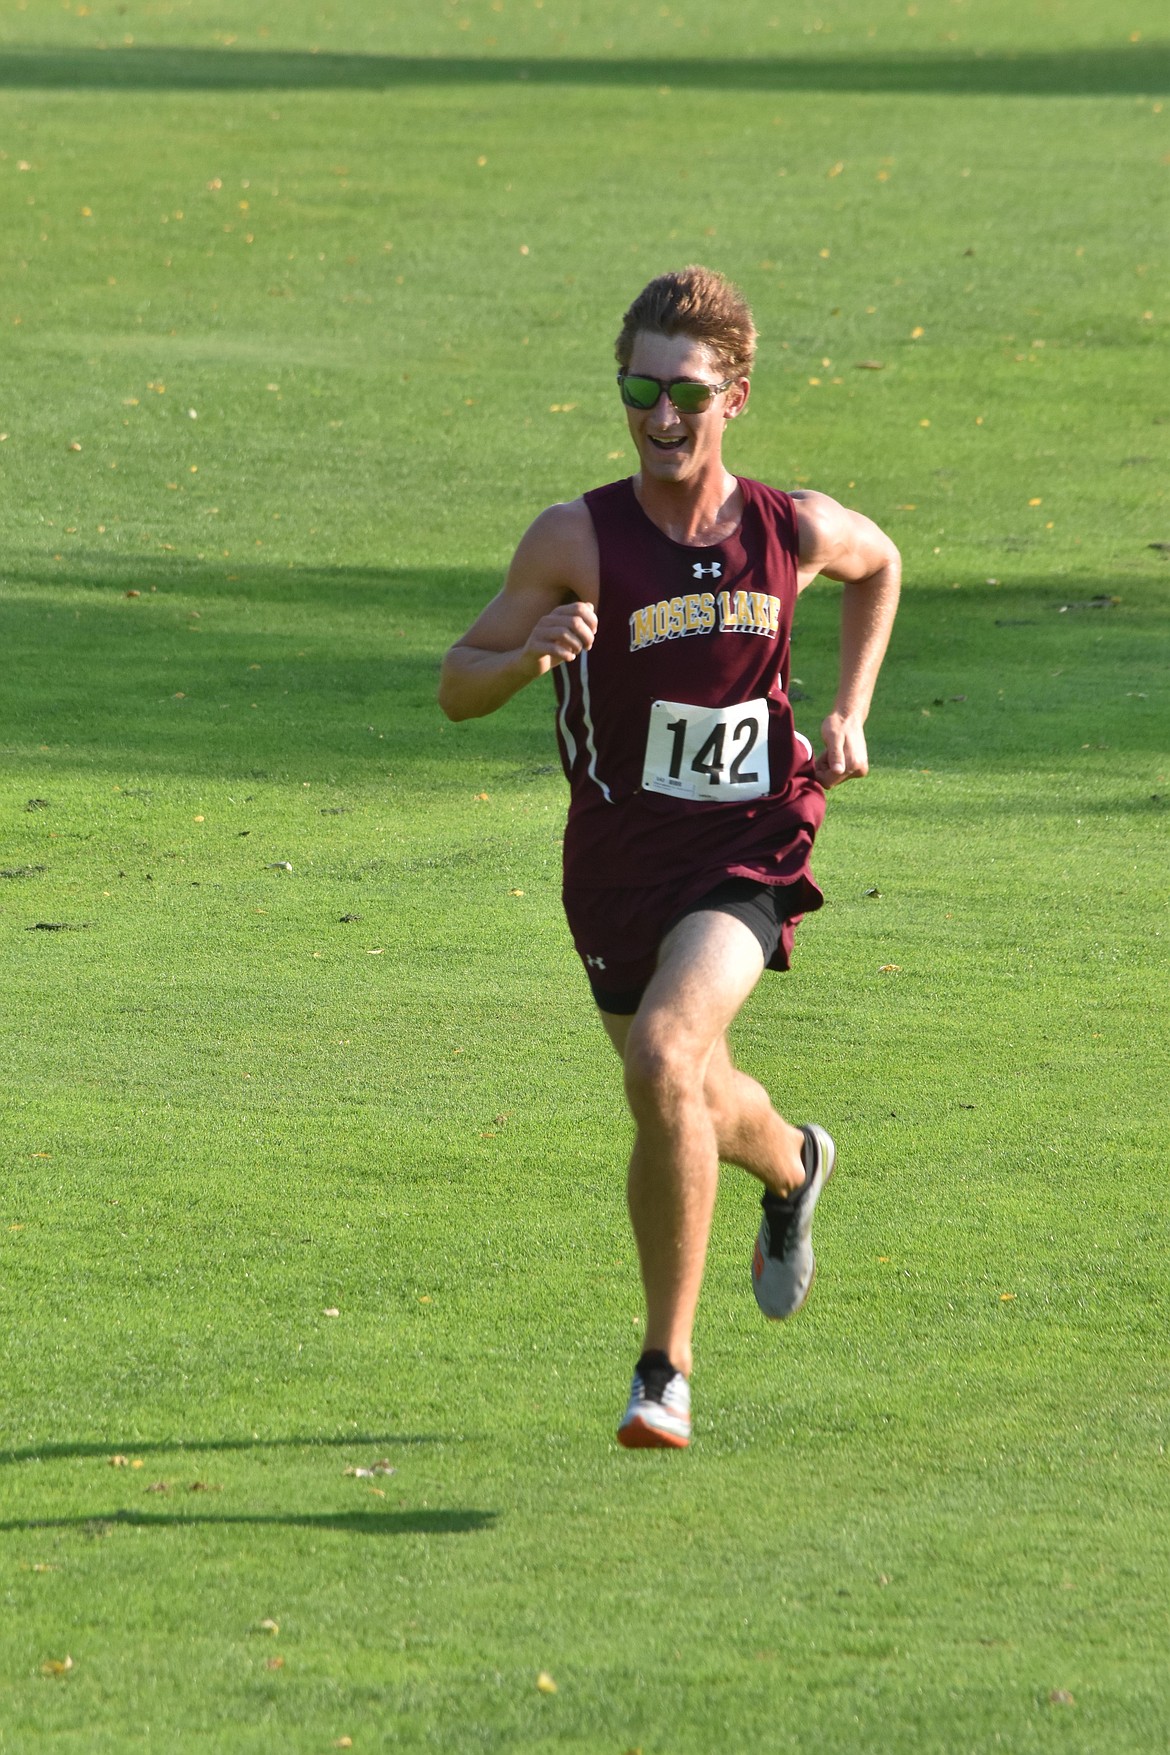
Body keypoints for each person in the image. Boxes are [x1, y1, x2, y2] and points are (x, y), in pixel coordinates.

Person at [438, 266, 900, 1450]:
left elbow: (881, 564)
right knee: (681, 1092)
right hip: (614, 863)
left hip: (750, 840)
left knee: (665, 1054)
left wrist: (846, 712)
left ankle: (665, 1369)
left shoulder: (787, 528)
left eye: (686, 392)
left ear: (736, 394)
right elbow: (456, 687)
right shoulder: (577, 539)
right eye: (639, 389)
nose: (659, 416)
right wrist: (530, 655)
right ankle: (794, 1166)